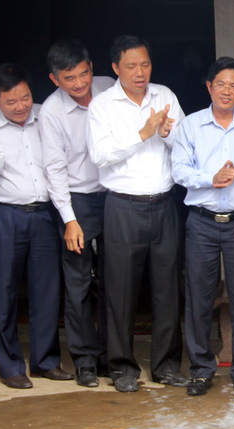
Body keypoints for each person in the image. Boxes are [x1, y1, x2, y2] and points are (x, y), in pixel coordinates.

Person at [88, 35, 188, 393]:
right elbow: (100, 156)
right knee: (120, 290)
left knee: (167, 290)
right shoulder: (102, 106)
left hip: (164, 204)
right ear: (115, 68)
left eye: (145, 64)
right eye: (131, 66)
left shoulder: (165, 96)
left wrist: (166, 133)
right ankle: (121, 367)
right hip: (123, 207)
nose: (140, 72)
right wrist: (143, 133)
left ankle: (166, 366)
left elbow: (186, 145)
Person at [172, 57, 234, 396]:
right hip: (201, 222)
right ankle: (201, 369)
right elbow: (179, 171)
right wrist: (210, 179)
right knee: (199, 298)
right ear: (209, 86)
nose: (226, 91)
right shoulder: (191, 125)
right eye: (221, 84)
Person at [0, 63, 73, 389]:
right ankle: (10, 365)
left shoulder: (46, 116)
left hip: (44, 214)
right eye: (11, 102)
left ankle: (45, 361)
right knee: (4, 291)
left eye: (25, 97)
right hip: (4, 215)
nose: (20, 106)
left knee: (47, 290)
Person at [40, 39, 115, 388]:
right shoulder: (52, 112)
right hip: (78, 201)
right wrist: (69, 219)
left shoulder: (108, 88)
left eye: (84, 73)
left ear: (91, 66)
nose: (80, 83)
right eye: (70, 78)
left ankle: (112, 356)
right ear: (55, 79)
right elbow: (54, 169)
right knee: (78, 282)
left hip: (114, 195)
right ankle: (85, 359)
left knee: (115, 280)